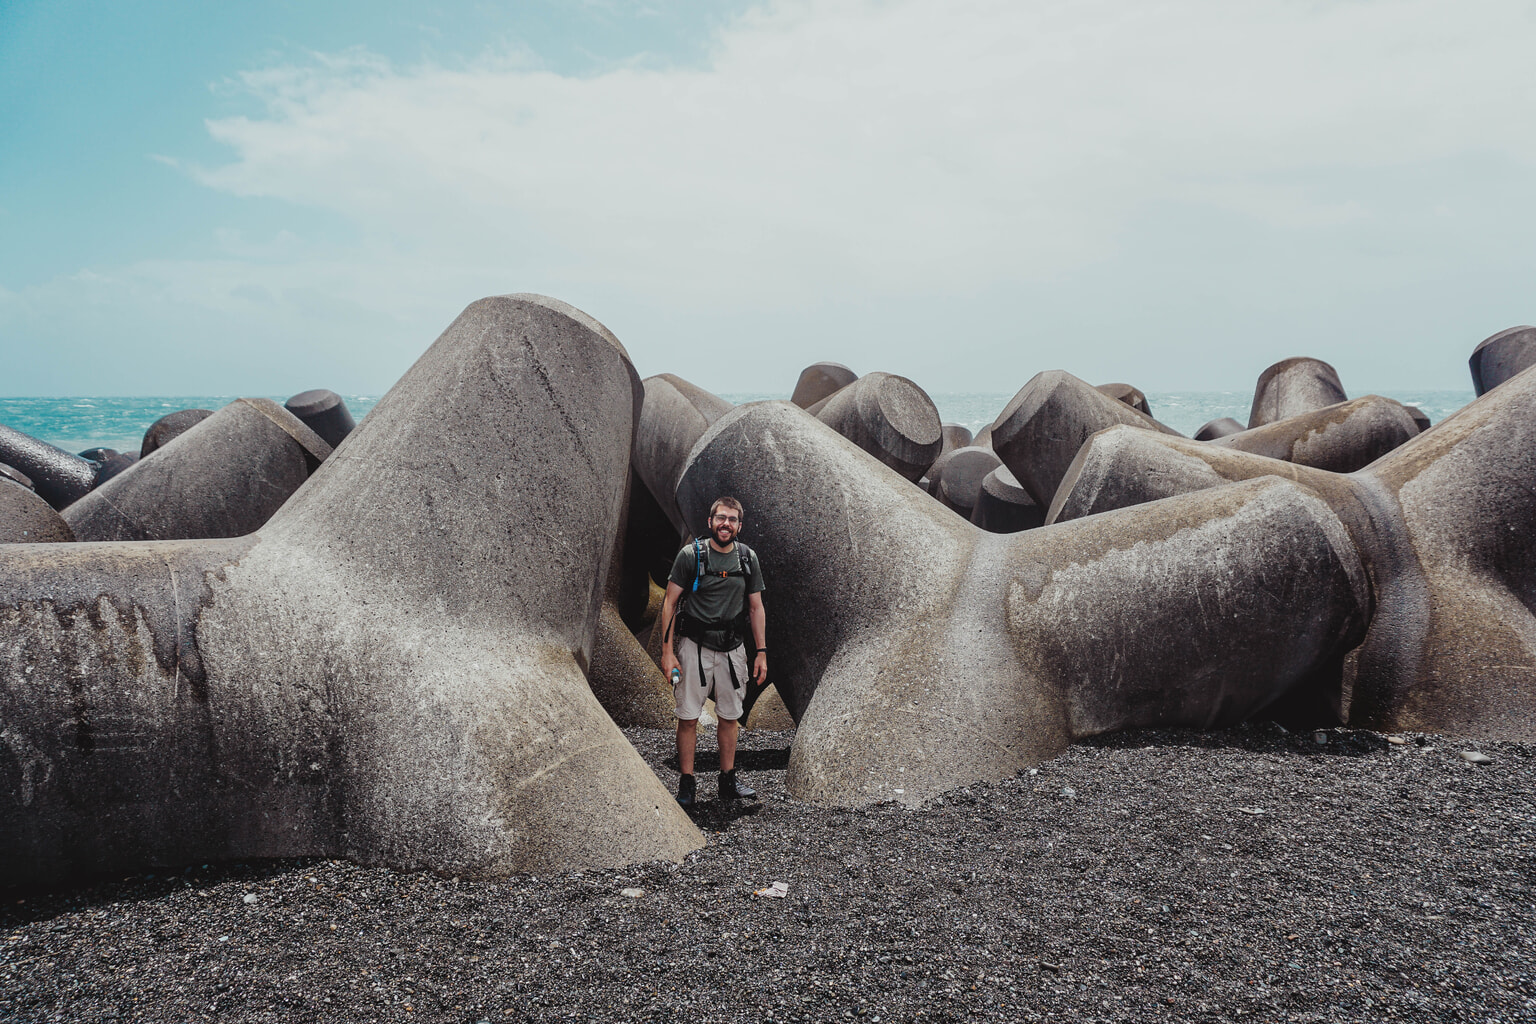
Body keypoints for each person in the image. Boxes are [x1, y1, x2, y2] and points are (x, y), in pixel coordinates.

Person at [658, 496, 768, 806]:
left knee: (730, 716)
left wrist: (761, 652)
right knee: (689, 716)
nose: (726, 524)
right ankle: (687, 783)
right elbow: (669, 603)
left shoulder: (747, 559)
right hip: (694, 647)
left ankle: (727, 780)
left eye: (732, 519)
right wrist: (668, 653)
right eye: (721, 518)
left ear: (739, 525)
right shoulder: (691, 556)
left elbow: (756, 607)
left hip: (733, 650)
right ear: (710, 522)